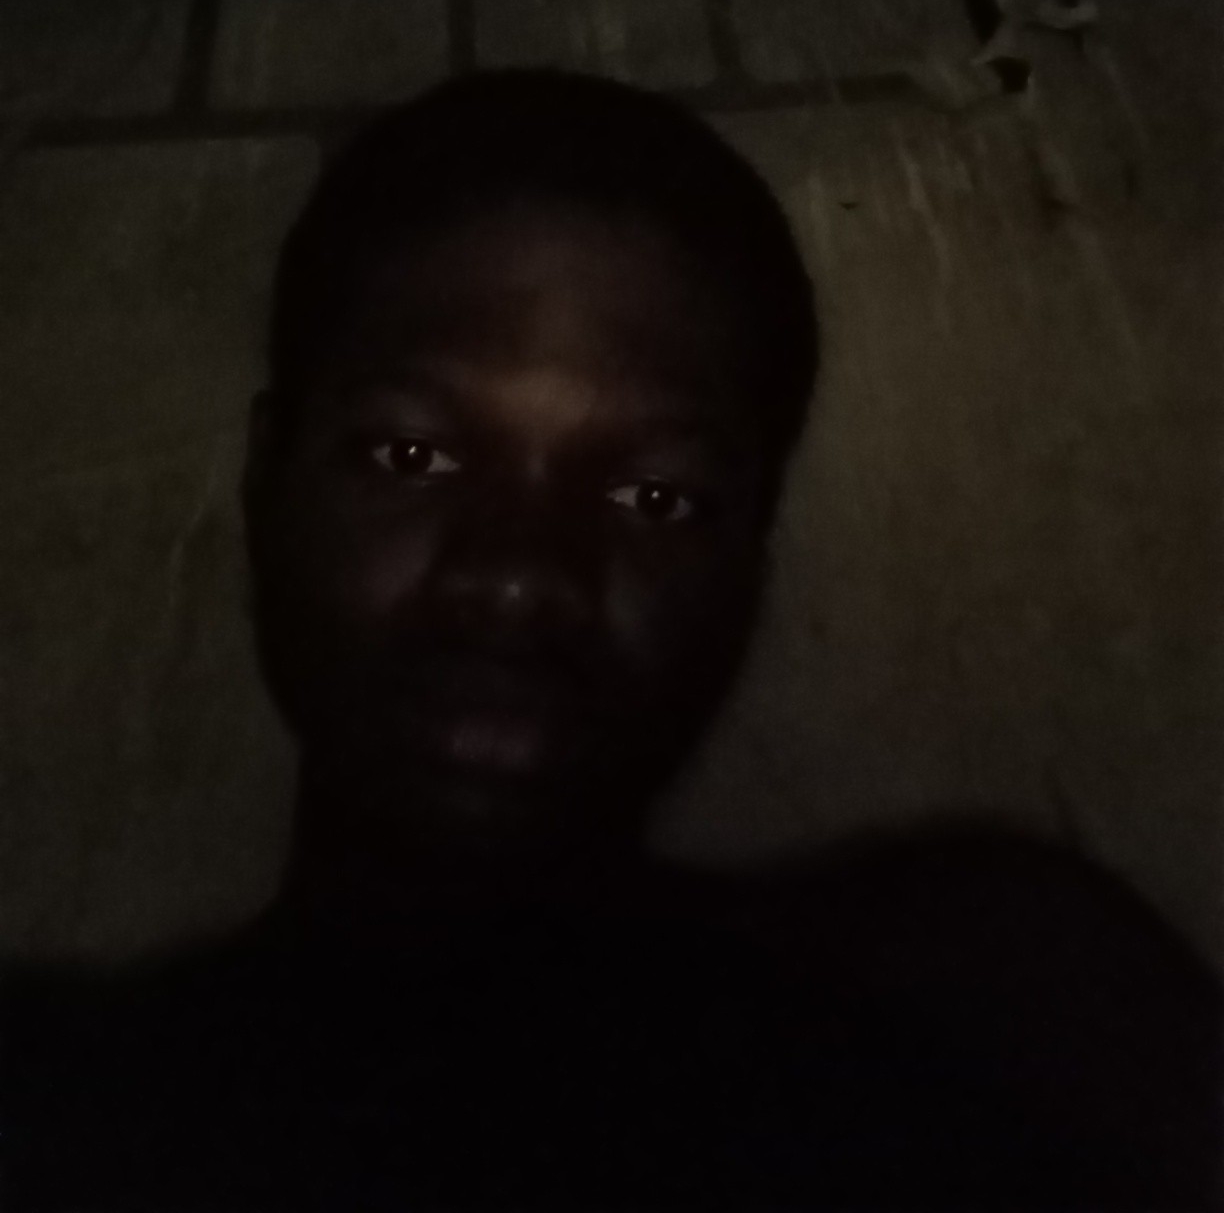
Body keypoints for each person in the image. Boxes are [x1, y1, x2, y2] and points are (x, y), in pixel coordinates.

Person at [3, 71, 1219, 1211]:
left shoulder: (1005, 1006)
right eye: (410, 455)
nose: (519, 577)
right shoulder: (55, 1113)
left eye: (657, 496)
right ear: (266, 480)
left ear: (751, 559)